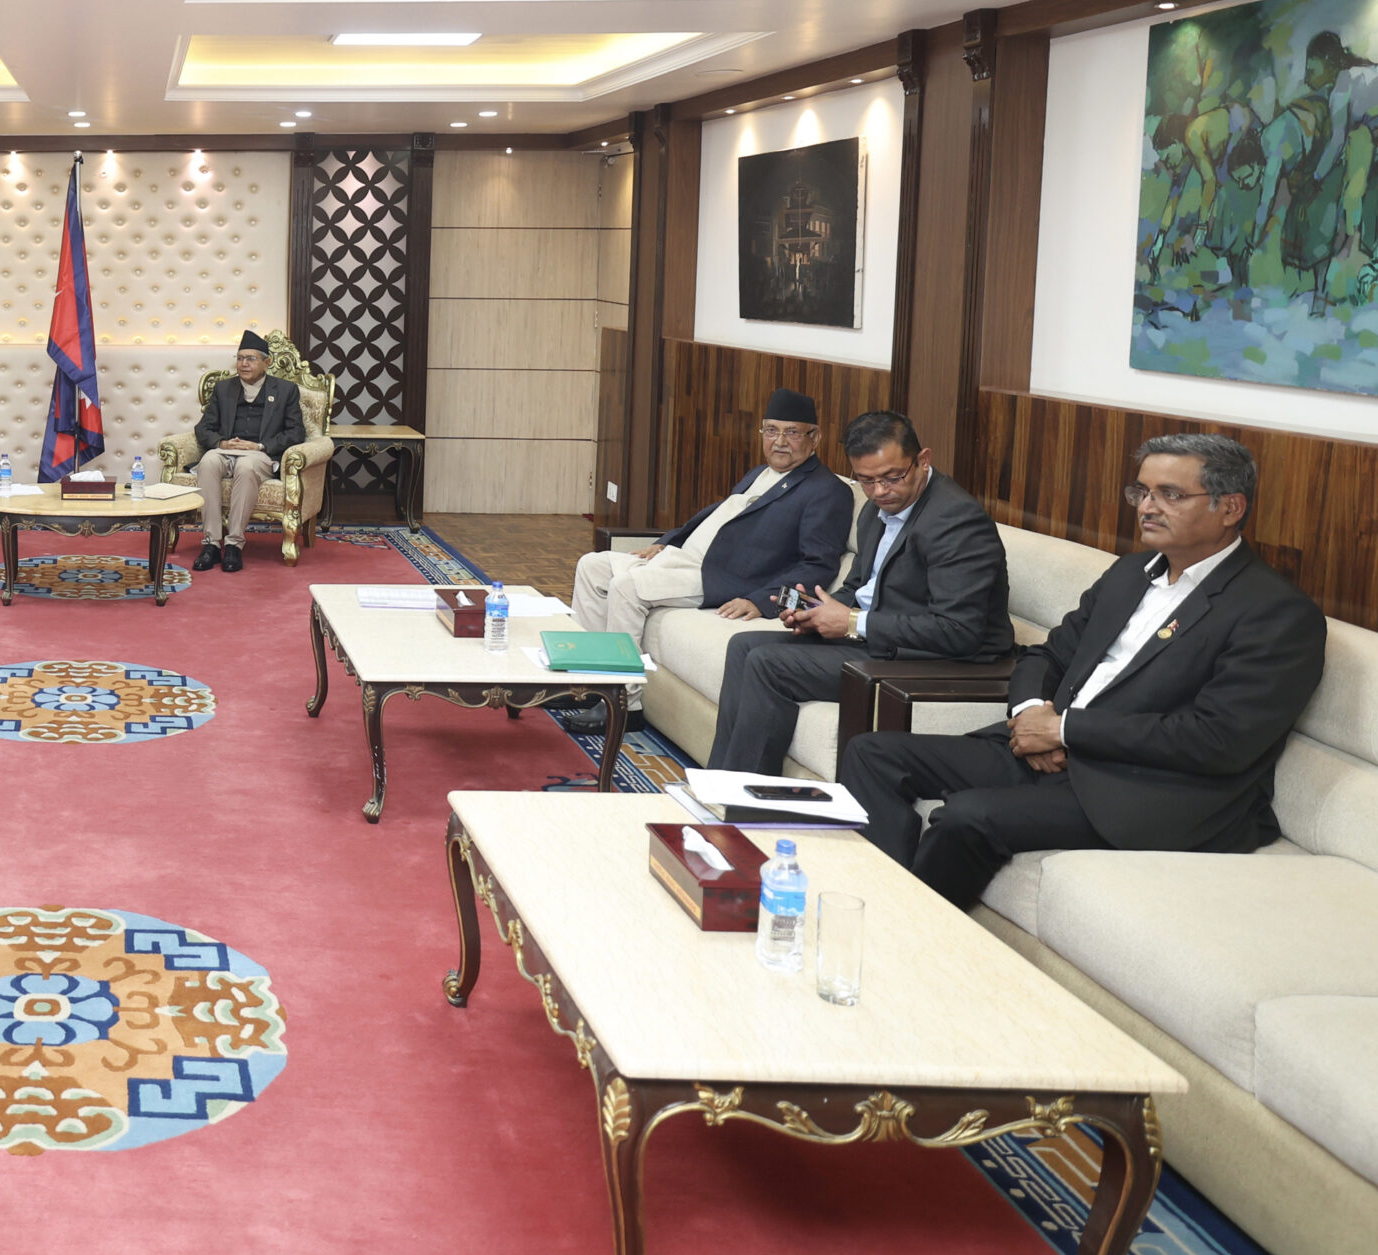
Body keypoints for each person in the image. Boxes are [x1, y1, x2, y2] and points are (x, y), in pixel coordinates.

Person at [840, 434, 1325, 909]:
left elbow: (1218, 739)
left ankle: (903, 931)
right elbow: (1046, 656)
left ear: (1231, 508)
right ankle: (876, 898)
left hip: (1142, 786)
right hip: (1046, 749)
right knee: (872, 753)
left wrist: (1066, 730)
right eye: (1142, 491)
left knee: (968, 816)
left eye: (1170, 495)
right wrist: (1032, 713)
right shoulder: (1130, 573)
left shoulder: (1274, 612)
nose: (1147, 507)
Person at [706, 410, 1011, 777]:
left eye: (892, 477)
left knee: (768, 663)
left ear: (923, 460)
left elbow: (958, 631)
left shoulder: (956, 521)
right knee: (743, 646)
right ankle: (720, 784)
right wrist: (817, 612)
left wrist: (852, 622)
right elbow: (859, 587)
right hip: (884, 640)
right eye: (866, 480)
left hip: (940, 662)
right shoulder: (875, 511)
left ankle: (748, 798)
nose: (880, 491)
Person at [562, 388, 850, 729]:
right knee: (592, 566)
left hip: (722, 576)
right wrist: (666, 542)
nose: (780, 442)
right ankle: (587, 685)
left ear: (815, 437)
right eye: (771, 430)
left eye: (792, 433)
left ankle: (623, 702)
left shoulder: (826, 490)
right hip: (684, 559)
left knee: (628, 587)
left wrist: (761, 600)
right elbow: (717, 516)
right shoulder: (761, 473)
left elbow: (818, 564)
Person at [189, 330, 305, 574]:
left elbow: (296, 433)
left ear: (267, 362)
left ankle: (234, 545)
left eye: (251, 359)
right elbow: (203, 428)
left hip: (259, 454)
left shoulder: (286, 390)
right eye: (240, 358)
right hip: (226, 451)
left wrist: (260, 446)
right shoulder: (224, 389)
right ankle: (211, 544)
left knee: (246, 466)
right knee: (208, 462)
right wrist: (221, 443)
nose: (243, 364)